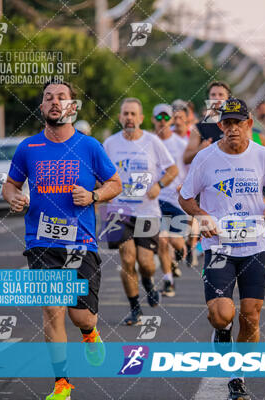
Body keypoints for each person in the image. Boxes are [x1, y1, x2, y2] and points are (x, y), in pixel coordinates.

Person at [2, 81, 122, 400]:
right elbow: (10, 185)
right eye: (48, 98)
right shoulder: (28, 148)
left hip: (81, 242)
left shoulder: (89, 146)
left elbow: (115, 183)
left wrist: (94, 195)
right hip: (41, 241)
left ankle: (89, 332)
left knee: (80, 315)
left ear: (73, 107)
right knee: (52, 311)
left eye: (62, 98)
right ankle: (62, 384)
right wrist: (15, 197)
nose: (55, 102)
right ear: (42, 108)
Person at [178, 98, 265, 400]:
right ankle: (222, 333)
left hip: (255, 244)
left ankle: (237, 376)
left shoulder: (264, 156)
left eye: (238, 123)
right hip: (218, 246)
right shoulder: (205, 158)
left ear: (249, 125)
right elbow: (186, 197)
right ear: (220, 127)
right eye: (227, 123)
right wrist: (202, 216)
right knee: (221, 315)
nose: (232, 129)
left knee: (251, 316)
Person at [102, 98, 178, 326]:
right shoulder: (110, 144)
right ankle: (135, 308)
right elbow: (99, 173)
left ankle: (147, 280)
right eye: (125, 113)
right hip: (118, 210)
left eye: (133, 114)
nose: (129, 118)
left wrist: (160, 185)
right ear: (120, 117)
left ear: (141, 118)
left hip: (147, 211)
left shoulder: (152, 142)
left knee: (146, 263)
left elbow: (172, 169)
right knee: (127, 259)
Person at [153, 103, 189, 296]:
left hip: (177, 201)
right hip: (156, 200)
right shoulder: (149, 142)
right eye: (159, 118)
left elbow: (192, 172)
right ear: (153, 120)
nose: (162, 122)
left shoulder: (181, 144)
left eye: (166, 118)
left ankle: (179, 256)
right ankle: (168, 281)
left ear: (171, 120)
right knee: (162, 240)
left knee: (176, 242)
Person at [183, 81, 231, 164]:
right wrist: (200, 149)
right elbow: (186, 158)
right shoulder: (199, 127)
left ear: (228, 98)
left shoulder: (237, 123)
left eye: (221, 95)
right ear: (208, 98)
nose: (217, 98)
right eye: (213, 95)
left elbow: (249, 149)